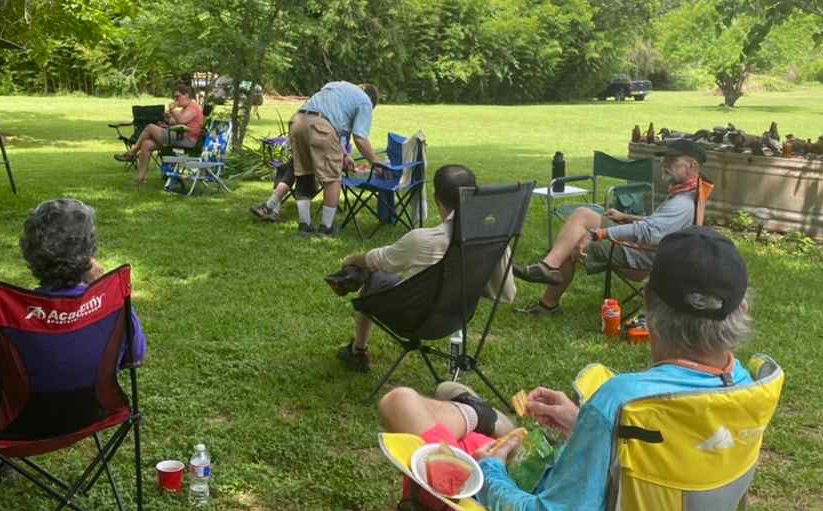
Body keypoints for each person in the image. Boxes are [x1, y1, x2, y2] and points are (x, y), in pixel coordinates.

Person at [336, 226, 755, 511]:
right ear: (739, 311)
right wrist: (585, 425)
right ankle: (475, 413)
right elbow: (667, 459)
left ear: (646, 299)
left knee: (400, 408)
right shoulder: (743, 389)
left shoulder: (623, 401)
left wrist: (494, 471)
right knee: (438, 402)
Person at [0, 198, 148, 443]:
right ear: (90, 254)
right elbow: (136, 357)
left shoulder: (3, 319)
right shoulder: (113, 305)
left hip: (10, 429)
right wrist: (100, 281)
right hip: (91, 416)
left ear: (28, 253)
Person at [329, 164, 517, 373]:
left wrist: (350, 260)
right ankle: (352, 281)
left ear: (437, 199)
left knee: (370, 274)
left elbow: (379, 260)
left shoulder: (424, 239)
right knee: (376, 270)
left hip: (412, 318)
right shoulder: (493, 239)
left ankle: (358, 351)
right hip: (457, 316)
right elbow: (507, 294)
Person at [512, 138, 706, 315]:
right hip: (649, 252)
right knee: (575, 234)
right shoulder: (689, 193)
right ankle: (548, 291)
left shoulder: (682, 203)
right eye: (665, 160)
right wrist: (626, 216)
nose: (665, 165)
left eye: (672, 161)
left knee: (580, 221)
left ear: (692, 165)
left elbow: (648, 232)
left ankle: (548, 274)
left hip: (642, 259)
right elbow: (658, 225)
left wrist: (601, 233)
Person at [270, 80, 379, 237]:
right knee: (333, 179)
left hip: (298, 121)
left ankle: (305, 225)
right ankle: (326, 227)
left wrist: (344, 155)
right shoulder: (365, 102)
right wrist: (376, 163)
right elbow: (360, 138)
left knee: (303, 172)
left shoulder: (338, 87)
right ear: (372, 101)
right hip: (320, 127)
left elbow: (334, 124)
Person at [115, 82, 205, 186]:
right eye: (174, 97)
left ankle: (132, 153)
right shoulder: (186, 108)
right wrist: (168, 116)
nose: (176, 100)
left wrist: (172, 110)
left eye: (177, 96)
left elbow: (182, 120)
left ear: (186, 95)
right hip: (179, 137)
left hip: (187, 140)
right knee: (146, 144)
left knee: (150, 127)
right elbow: (174, 122)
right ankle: (140, 179)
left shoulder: (193, 107)